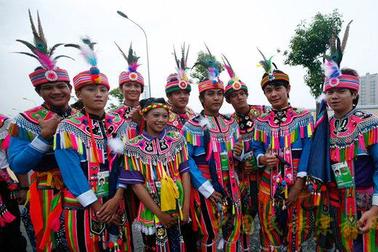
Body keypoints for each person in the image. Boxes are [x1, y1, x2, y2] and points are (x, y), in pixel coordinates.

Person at [54, 38, 132, 251]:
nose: (98, 94)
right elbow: (71, 173)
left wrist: (117, 197)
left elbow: (128, 164)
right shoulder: (68, 127)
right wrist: (98, 206)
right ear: (78, 94)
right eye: (90, 89)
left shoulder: (120, 125)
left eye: (103, 90)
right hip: (84, 206)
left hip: (116, 200)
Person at [314, 58, 378, 251]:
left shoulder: (372, 124)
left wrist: (376, 209)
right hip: (331, 203)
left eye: (341, 91)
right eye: (330, 92)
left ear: (354, 94)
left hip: (362, 206)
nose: (334, 96)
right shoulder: (323, 127)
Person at [8, 10, 73, 251]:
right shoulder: (24, 120)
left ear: (70, 88)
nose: (56, 92)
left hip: (80, 192)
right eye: (48, 88)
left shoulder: (80, 117)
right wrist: (43, 136)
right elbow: (18, 165)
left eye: (61, 86)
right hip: (45, 193)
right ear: (38, 92)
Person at [252, 51, 314, 251]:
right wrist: (261, 159)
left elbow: (308, 152)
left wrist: (298, 185)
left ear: (288, 89)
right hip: (267, 187)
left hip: (297, 184)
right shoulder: (261, 121)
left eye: (278, 88)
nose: (273, 94)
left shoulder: (303, 117)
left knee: (296, 232)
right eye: (268, 90)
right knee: (269, 231)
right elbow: (256, 148)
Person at [182, 48, 242, 251]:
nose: (216, 98)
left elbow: (238, 156)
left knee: (234, 230)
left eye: (219, 94)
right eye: (210, 94)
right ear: (201, 99)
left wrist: (239, 153)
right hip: (207, 187)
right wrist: (206, 188)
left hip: (232, 186)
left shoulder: (231, 123)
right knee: (211, 232)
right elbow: (187, 160)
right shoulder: (192, 126)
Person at [118, 97, 191, 251]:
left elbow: (185, 173)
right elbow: (137, 186)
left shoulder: (177, 139)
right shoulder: (133, 146)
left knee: (180, 244)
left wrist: (185, 208)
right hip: (152, 207)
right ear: (144, 116)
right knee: (155, 246)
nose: (161, 120)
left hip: (178, 204)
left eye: (165, 116)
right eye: (155, 115)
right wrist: (160, 214)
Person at [222, 54, 268, 251]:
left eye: (241, 93)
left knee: (268, 218)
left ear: (246, 94)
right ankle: (247, 247)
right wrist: (236, 155)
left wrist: (260, 161)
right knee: (246, 219)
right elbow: (225, 152)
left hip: (267, 174)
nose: (239, 97)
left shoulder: (264, 112)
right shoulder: (227, 121)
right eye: (233, 95)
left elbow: (275, 138)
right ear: (229, 100)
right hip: (242, 179)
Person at [0, 114, 27, 251]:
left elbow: (15, 159)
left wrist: (23, 187)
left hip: (4, 185)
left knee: (11, 233)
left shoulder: (5, 123)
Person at [111, 42, 144, 138]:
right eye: (128, 85)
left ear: (141, 89)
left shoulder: (149, 111)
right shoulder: (112, 115)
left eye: (137, 86)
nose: (133, 89)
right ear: (121, 89)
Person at [165, 44, 196, 132]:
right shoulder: (162, 116)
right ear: (169, 96)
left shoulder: (193, 115)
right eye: (177, 93)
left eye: (186, 93)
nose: (183, 96)